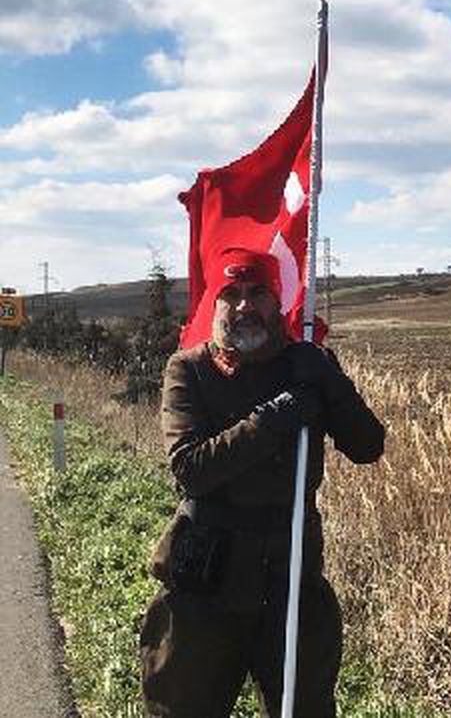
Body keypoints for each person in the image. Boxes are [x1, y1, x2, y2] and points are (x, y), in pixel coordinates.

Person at [138, 248, 385, 717]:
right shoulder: (189, 369)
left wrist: (329, 381)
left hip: (291, 578)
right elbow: (191, 469)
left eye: (258, 293)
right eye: (231, 294)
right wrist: (275, 418)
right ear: (215, 303)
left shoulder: (308, 364)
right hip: (206, 584)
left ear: (279, 301)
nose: (244, 305)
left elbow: (367, 445)